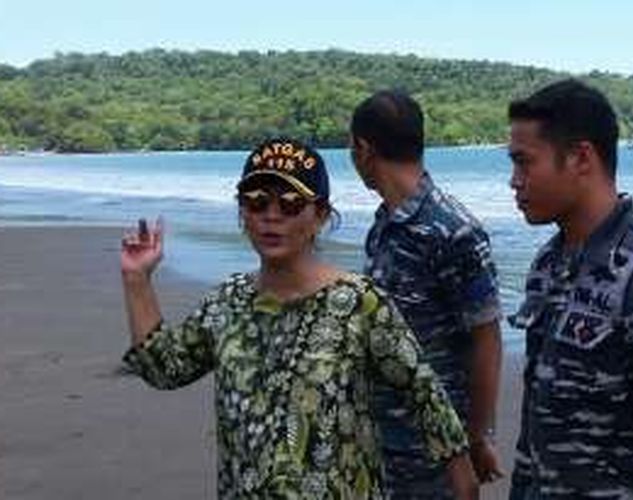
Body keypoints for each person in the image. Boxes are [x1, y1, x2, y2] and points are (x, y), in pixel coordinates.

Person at [120, 137, 480, 499]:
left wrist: (463, 477)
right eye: (257, 202)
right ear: (242, 212)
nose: (271, 216)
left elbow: (425, 394)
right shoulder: (228, 302)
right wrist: (137, 280)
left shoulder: (359, 303)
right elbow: (163, 367)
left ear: (320, 215)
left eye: (290, 204)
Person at [506, 79, 633, 499]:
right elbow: (535, 427)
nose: (514, 181)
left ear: (581, 158)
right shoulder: (549, 263)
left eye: (525, 163)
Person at [349, 91, 504, 497]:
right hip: (383, 442)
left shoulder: (453, 230)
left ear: (363, 150)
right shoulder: (384, 225)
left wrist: (479, 436)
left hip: (437, 453)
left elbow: (486, 338)